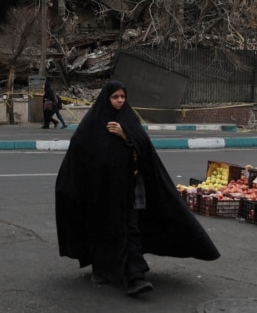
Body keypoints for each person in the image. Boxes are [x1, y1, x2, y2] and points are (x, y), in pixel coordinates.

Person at [55, 80, 219, 297]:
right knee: (105, 230)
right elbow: (80, 153)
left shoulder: (128, 121)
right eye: (115, 97)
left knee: (130, 229)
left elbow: (144, 149)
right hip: (103, 193)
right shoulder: (92, 125)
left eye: (123, 97)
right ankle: (103, 269)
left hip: (132, 188)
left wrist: (126, 136)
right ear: (107, 98)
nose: (120, 101)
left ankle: (136, 277)